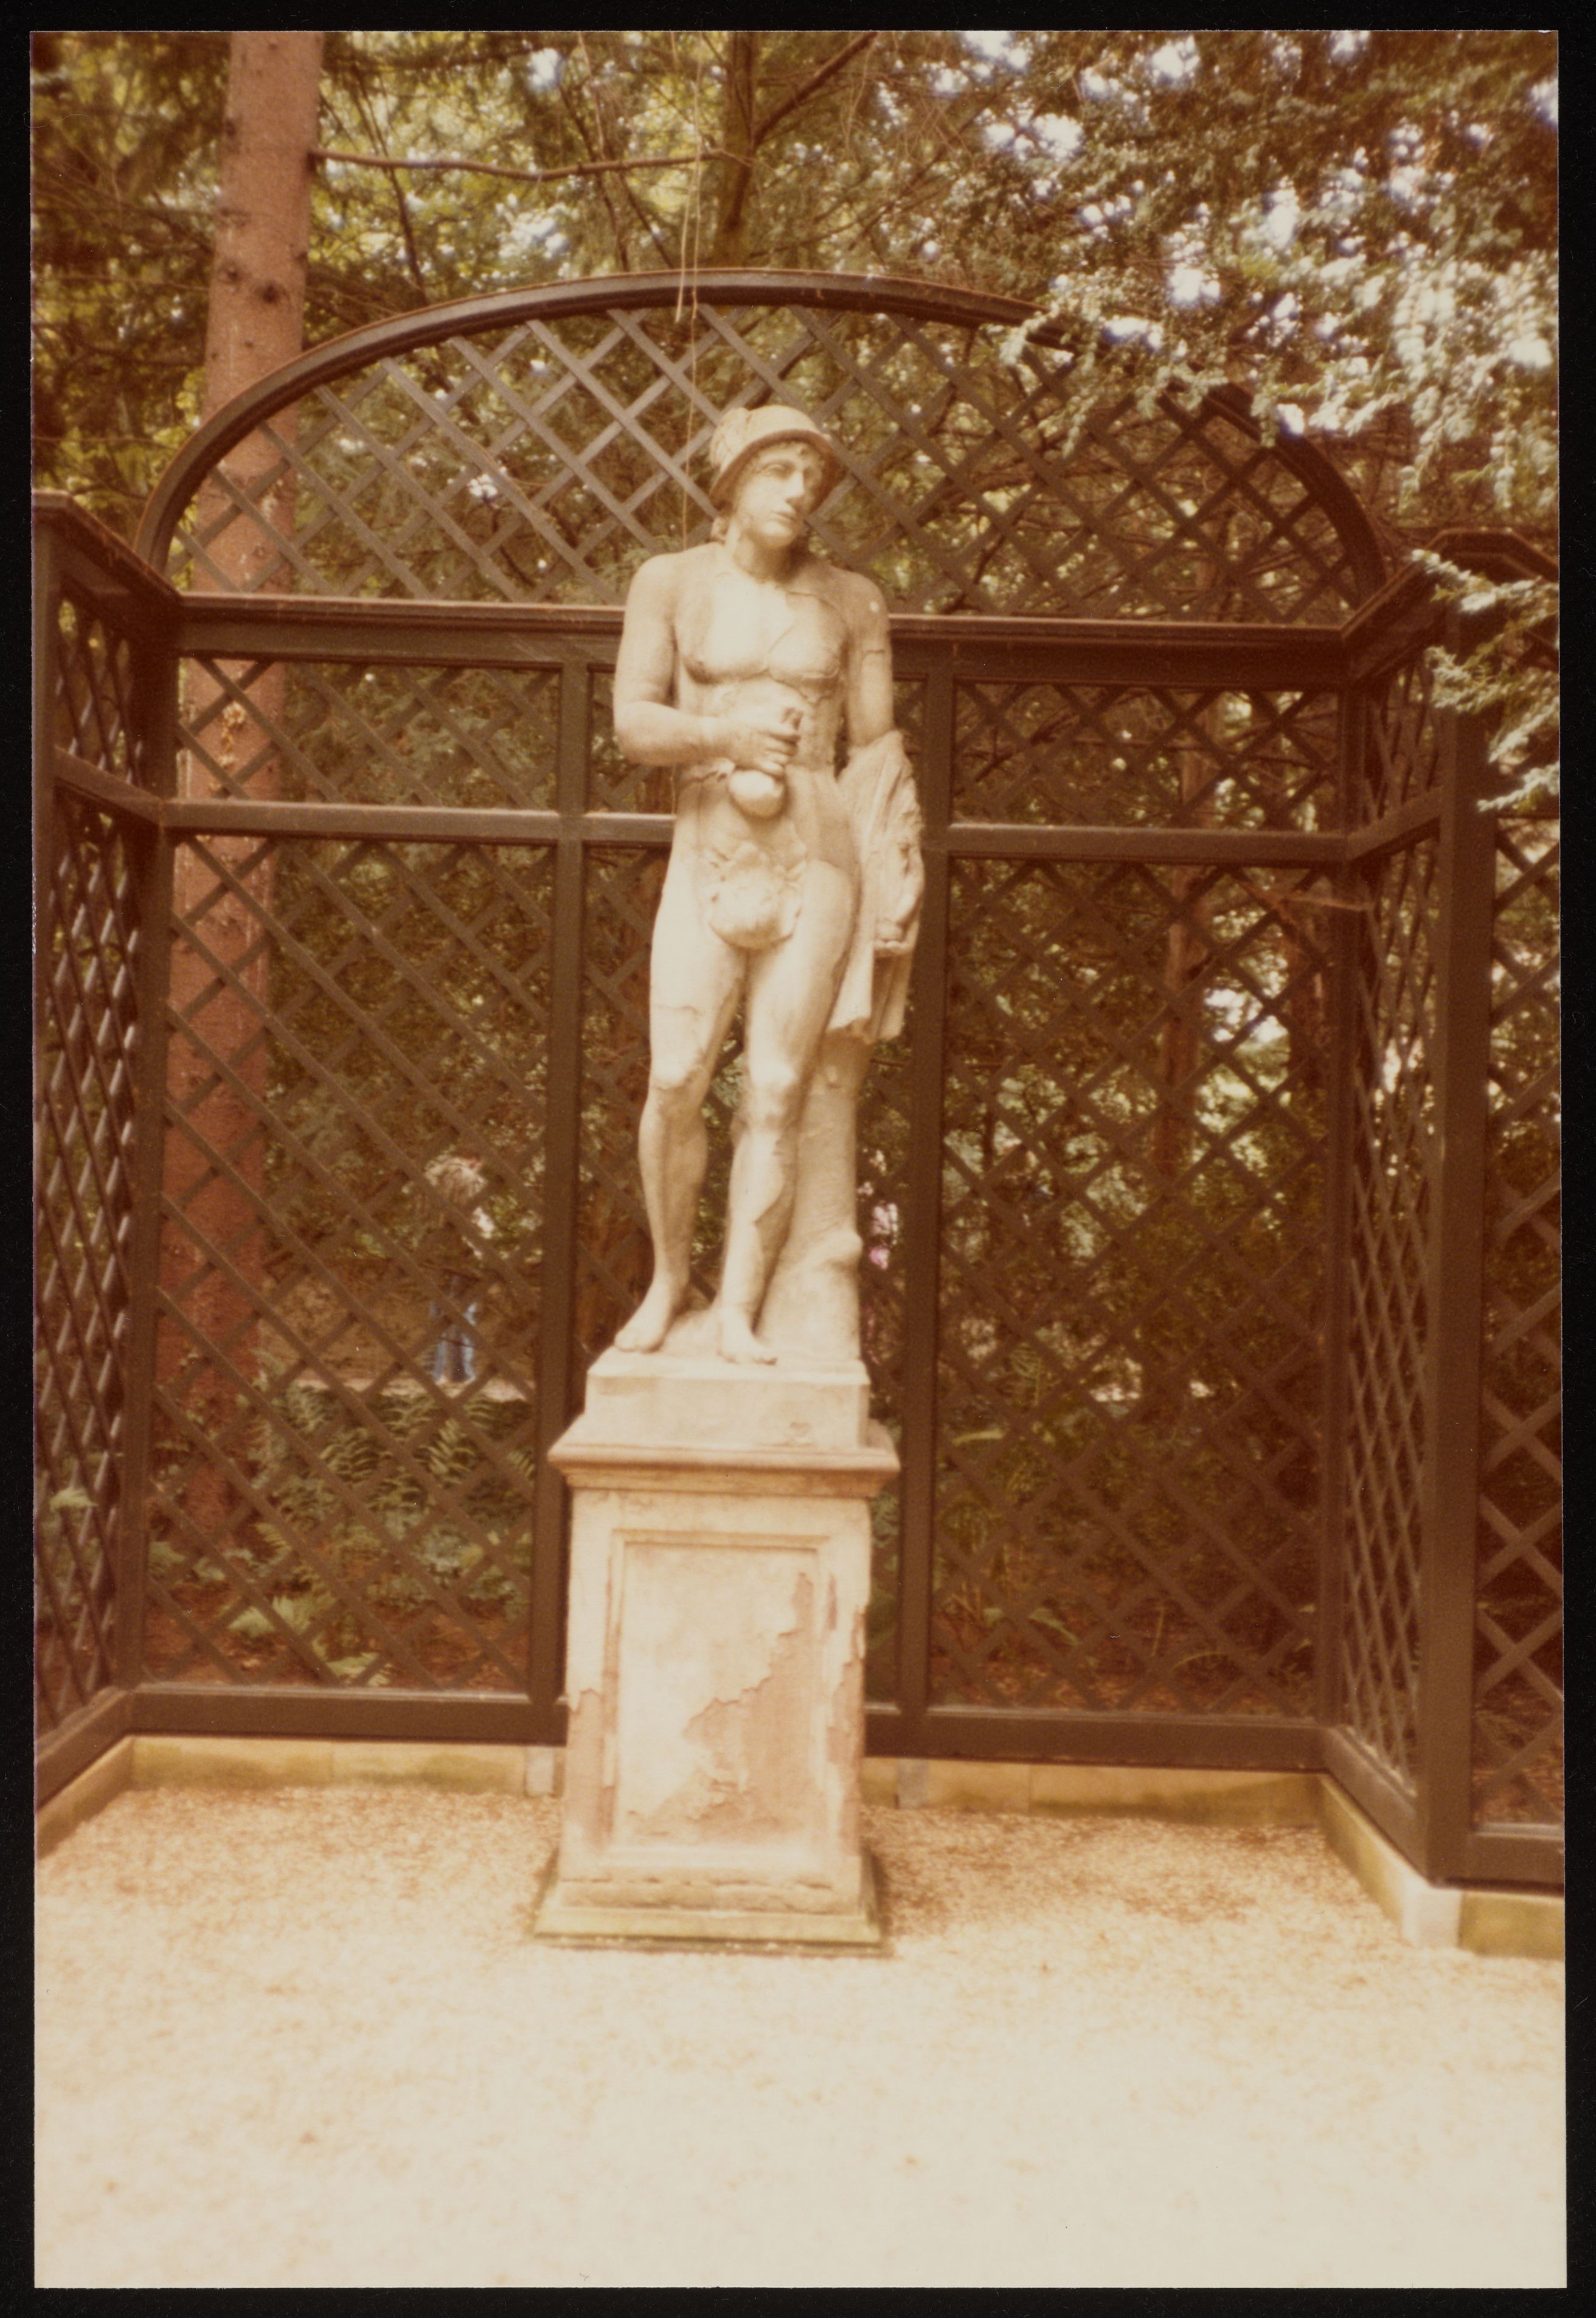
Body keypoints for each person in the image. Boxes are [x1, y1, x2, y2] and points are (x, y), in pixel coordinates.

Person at [612, 403, 921, 1365]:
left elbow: (876, 751)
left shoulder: (853, 599)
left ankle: (739, 1309)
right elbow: (633, 723)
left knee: (778, 1088)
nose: (800, 492)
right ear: (733, 482)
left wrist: (893, 874)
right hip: (708, 841)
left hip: (816, 852)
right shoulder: (669, 582)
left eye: (812, 479)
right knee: (677, 1075)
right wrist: (727, 735)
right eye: (780, 472)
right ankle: (670, 1282)